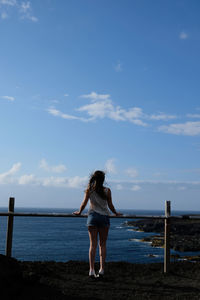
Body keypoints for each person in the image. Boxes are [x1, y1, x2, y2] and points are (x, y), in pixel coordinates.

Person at [73, 170, 122, 278]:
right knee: (102, 245)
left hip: (92, 218)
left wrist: (79, 212)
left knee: (92, 245)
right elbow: (110, 205)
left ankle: (91, 270)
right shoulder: (107, 190)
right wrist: (116, 213)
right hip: (104, 218)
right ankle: (101, 269)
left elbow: (84, 203)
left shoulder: (89, 190)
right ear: (103, 179)